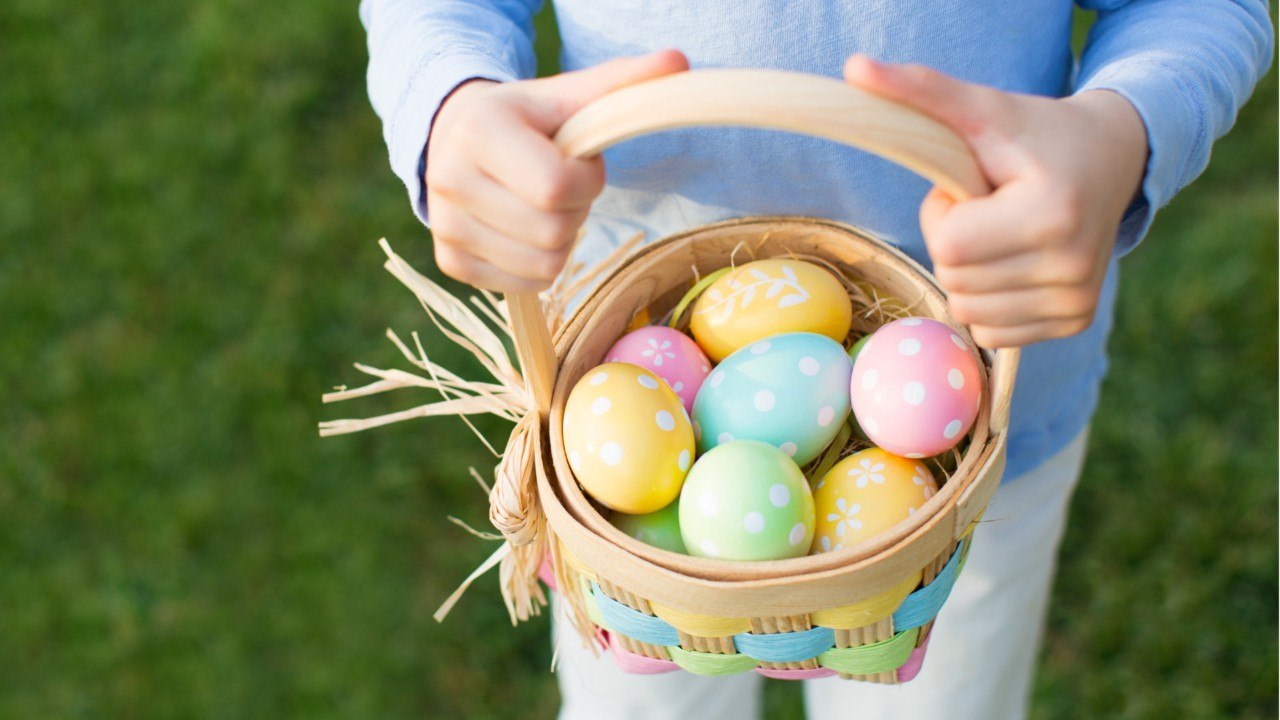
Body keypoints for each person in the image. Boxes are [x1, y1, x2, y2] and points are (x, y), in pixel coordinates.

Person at [359, 2, 1273, 718]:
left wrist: (1121, 135)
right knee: (647, 698)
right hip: (624, 416)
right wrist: (451, 102)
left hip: (975, 422)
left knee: (939, 699)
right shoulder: (628, 417)